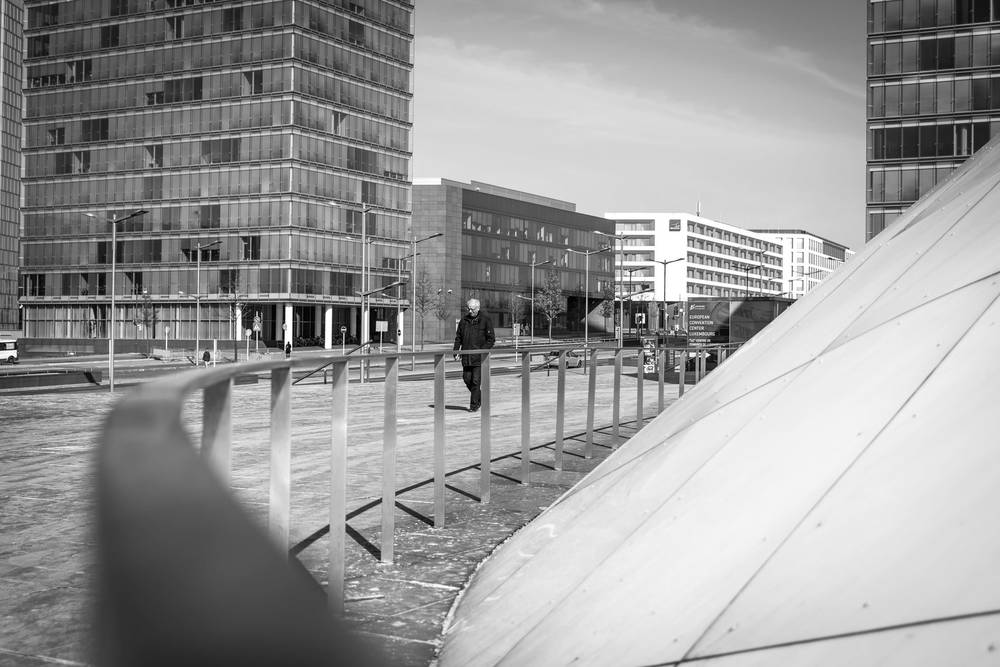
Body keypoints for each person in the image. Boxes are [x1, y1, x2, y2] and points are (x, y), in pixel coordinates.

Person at [453, 298, 495, 412]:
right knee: (467, 379)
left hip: (479, 358)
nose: (470, 311)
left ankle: (474, 405)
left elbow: (491, 339)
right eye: (468, 309)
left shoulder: (485, 320)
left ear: (478, 308)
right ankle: (480, 398)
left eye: (472, 309)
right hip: (466, 356)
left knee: (476, 381)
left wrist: (482, 350)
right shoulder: (463, 321)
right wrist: (456, 351)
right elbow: (458, 338)